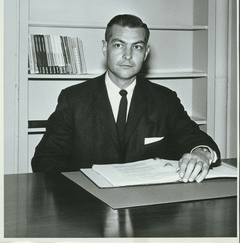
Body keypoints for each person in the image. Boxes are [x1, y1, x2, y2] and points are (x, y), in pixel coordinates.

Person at [32, 14, 221, 182]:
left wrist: (201, 153)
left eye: (137, 47)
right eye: (118, 45)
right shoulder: (73, 99)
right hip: (87, 208)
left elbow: (194, 137)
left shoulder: (165, 99)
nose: (128, 55)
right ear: (105, 48)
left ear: (145, 53)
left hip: (149, 210)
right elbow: (46, 159)